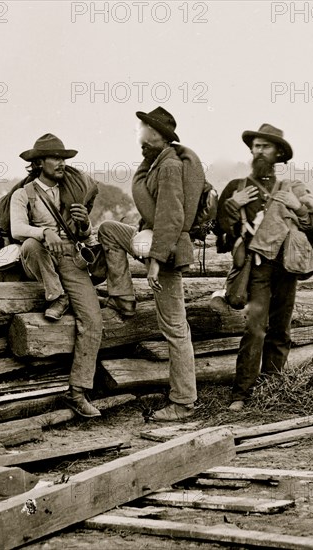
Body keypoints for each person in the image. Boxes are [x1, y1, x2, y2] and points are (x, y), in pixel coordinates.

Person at [215, 123, 313, 412]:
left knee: (281, 329)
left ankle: (273, 388)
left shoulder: (293, 188)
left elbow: (310, 226)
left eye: (265, 146)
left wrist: (299, 207)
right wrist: (231, 205)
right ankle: (241, 393)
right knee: (255, 329)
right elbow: (221, 235)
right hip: (256, 268)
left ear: (278, 153)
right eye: (255, 146)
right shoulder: (237, 188)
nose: (258, 151)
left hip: (287, 267)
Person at [98, 107, 205, 421]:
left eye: (151, 133)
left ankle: (184, 402)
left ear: (165, 138)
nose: (143, 138)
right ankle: (123, 297)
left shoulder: (170, 166)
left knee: (175, 328)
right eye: (142, 131)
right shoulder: (154, 163)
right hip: (151, 238)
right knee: (108, 230)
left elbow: (172, 218)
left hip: (167, 251)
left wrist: (155, 263)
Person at [10, 133, 103, 418]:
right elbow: (17, 229)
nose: (61, 163)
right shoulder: (23, 194)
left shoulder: (71, 192)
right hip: (40, 257)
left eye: (63, 158)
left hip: (70, 258)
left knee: (93, 319)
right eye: (55, 158)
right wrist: (43, 231)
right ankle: (56, 295)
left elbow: (84, 235)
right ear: (39, 163)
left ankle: (77, 392)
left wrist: (85, 225)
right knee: (30, 244)